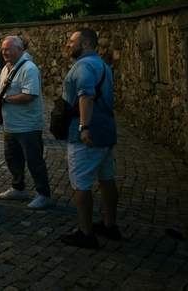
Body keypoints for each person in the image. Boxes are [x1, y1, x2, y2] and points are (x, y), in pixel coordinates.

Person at [59, 27, 120, 249]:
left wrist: (84, 127)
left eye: (72, 41)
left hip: (86, 135)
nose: (68, 44)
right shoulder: (103, 65)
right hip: (105, 131)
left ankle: (86, 232)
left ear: (85, 44)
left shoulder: (83, 66)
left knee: (81, 184)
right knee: (106, 179)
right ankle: (110, 225)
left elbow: (86, 96)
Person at [0, 36, 55, 210]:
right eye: (3, 48)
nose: (4, 52)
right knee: (13, 158)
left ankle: (44, 194)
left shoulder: (29, 69)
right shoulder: (6, 68)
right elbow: (0, 93)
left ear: (20, 50)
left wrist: (5, 100)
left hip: (28, 125)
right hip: (11, 124)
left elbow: (29, 95)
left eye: (8, 49)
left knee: (34, 160)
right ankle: (18, 187)